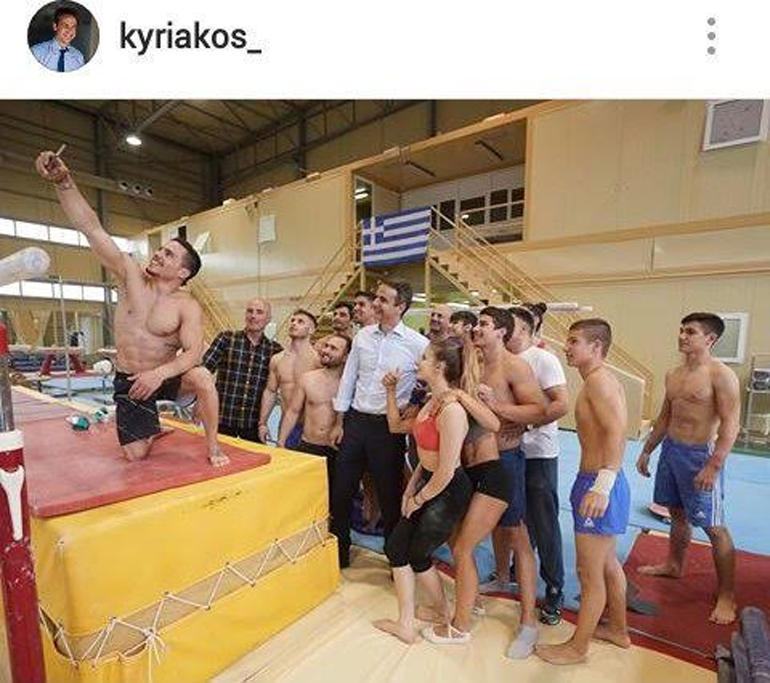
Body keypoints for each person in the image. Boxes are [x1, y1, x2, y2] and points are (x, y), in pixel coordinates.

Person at [36, 150, 227, 466]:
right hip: (131, 379)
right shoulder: (129, 276)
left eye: (168, 254)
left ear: (182, 273)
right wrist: (64, 182)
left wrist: (159, 374)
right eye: (160, 249)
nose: (158, 254)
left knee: (204, 376)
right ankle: (149, 427)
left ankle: (214, 446)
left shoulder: (187, 306)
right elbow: (92, 229)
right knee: (135, 455)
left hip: (166, 377)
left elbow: (193, 353)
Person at [636, 312, 740, 624]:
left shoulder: (721, 375)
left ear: (710, 339)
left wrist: (713, 465)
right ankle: (674, 564)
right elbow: (664, 417)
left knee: (714, 526)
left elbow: (731, 425)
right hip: (671, 451)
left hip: (700, 455)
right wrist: (647, 450)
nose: (682, 336)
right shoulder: (674, 374)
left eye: (691, 332)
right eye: (682, 330)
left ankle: (727, 595)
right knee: (677, 513)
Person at [537, 319, 630, 665]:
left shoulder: (599, 383)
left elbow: (616, 433)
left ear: (596, 346)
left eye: (574, 341)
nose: (567, 347)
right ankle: (618, 629)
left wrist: (602, 486)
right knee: (607, 565)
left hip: (599, 483)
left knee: (589, 574)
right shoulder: (597, 381)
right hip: (598, 480)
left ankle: (578, 648)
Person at [373, 340, 474, 644]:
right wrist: (410, 489)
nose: (419, 362)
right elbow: (424, 456)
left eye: (425, 358)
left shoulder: (452, 411)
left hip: (448, 489)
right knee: (396, 548)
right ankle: (405, 623)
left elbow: (446, 470)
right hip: (427, 482)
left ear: (440, 367)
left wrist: (419, 499)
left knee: (418, 554)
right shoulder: (431, 403)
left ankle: (443, 612)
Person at [330, 280, 429, 568]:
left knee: (389, 495)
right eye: (377, 297)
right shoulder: (362, 337)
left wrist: (413, 406)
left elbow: (427, 382)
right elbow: (349, 378)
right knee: (342, 490)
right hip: (355, 422)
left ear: (401, 307)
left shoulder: (418, 344)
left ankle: (395, 558)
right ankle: (339, 552)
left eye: (383, 300)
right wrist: (339, 421)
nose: (376, 303)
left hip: (388, 429)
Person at [473, 307, 546, 657]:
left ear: (502, 331)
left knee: (518, 534)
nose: (477, 328)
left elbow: (539, 409)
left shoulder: (515, 366)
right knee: (489, 527)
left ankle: (528, 622)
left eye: (483, 324)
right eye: (476, 323)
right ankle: (501, 578)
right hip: (475, 459)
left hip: (505, 459)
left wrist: (500, 408)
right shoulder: (473, 363)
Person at [507, 307, 569, 625]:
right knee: (517, 520)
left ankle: (554, 588)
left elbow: (561, 404)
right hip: (510, 452)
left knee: (544, 523)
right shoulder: (503, 359)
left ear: (525, 330)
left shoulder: (543, 359)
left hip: (538, 453)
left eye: (510, 326)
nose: (504, 331)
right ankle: (518, 570)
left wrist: (527, 424)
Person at [277, 334, 351, 501]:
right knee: (303, 498)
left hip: (338, 451)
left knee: (333, 501)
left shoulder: (351, 384)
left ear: (346, 356)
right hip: (309, 446)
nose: (326, 351)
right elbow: (293, 411)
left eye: (333, 348)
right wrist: (281, 442)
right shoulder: (308, 378)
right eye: (326, 346)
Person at [203, 298, 282, 442]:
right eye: (250, 311)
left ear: (268, 319)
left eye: (259, 312)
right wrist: (200, 402)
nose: (253, 316)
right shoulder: (226, 339)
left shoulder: (275, 350)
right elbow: (204, 372)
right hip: (221, 420)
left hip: (253, 425)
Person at [259, 309, 320, 448]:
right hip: (286, 425)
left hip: (310, 427)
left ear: (311, 330)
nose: (294, 323)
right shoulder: (277, 359)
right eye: (292, 320)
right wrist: (262, 423)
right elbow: (270, 391)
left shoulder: (318, 361)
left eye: (300, 321)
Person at [30, 7, 86, 73]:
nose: (70, 30)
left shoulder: (79, 57)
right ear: (55, 26)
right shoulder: (36, 52)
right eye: (65, 25)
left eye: (73, 26)